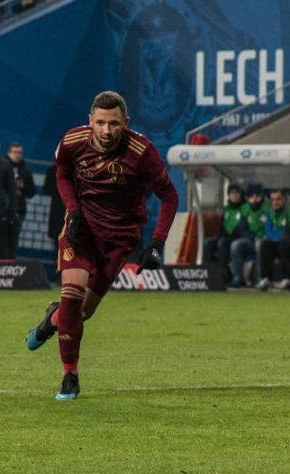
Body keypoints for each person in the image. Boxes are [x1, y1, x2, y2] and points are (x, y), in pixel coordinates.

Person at [24, 91, 179, 400]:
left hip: (120, 238)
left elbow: (170, 196)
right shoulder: (71, 142)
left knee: (81, 313)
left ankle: (52, 320)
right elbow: (63, 174)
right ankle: (70, 375)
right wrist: (75, 209)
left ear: (126, 123)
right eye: (101, 123)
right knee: (72, 296)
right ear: (90, 122)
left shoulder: (142, 152)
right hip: (81, 229)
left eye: (114, 124)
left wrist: (157, 243)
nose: (107, 131)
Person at [202, 184, 245, 283]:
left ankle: (223, 274)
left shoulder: (244, 208)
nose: (234, 195)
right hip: (224, 237)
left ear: (240, 195)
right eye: (232, 193)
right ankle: (210, 273)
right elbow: (221, 228)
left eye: (236, 193)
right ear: (229, 195)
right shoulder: (225, 210)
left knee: (222, 243)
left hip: (237, 237)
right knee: (208, 243)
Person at [229, 184, 266, 288]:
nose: (255, 199)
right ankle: (237, 277)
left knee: (260, 244)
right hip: (250, 240)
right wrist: (252, 238)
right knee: (236, 244)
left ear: (262, 196)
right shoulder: (244, 209)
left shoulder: (267, 207)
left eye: (257, 196)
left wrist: (262, 237)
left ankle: (259, 277)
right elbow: (243, 228)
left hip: (265, 240)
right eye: (252, 196)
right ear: (247, 198)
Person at [6, 142, 36, 258]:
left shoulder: (25, 171)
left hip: (18, 210)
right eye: (15, 152)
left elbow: (31, 192)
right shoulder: (1, 167)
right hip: (2, 210)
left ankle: (10, 265)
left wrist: (23, 186)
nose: (17, 155)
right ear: (9, 153)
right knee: (0, 241)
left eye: (20, 152)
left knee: (13, 241)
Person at [256, 189, 290, 291]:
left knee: (284, 244)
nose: (276, 202)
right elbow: (268, 231)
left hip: (285, 244)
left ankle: (286, 279)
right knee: (264, 244)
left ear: (284, 200)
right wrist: (277, 236)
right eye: (273, 199)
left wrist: (278, 236)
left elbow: (286, 232)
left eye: (278, 199)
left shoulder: (289, 212)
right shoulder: (269, 213)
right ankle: (266, 279)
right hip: (275, 243)